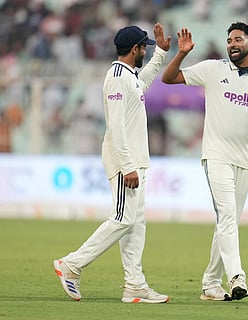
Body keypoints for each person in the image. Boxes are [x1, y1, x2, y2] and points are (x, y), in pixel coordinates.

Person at [162, 22, 248, 301]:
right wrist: (181, 54)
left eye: (238, 39)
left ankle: (211, 285)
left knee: (228, 222)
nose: (232, 44)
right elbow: (169, 79)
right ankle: (237, 277)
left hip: (244, 160)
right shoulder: (213, 69)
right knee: (227, 216)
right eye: (229, 40)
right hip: (215, 155)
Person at [53, 23, 172, 303]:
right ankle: (71, 264)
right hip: (124, 161)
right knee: (123, 219)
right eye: (146, 48)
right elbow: (115, 126)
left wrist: (161, 55)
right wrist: (127, 165)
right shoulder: (117, 77)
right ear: (135, 49)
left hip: (136, 159)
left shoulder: (129, 76)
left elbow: (142, 85)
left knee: (135, 223)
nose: (146, 51)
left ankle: (134, 286)